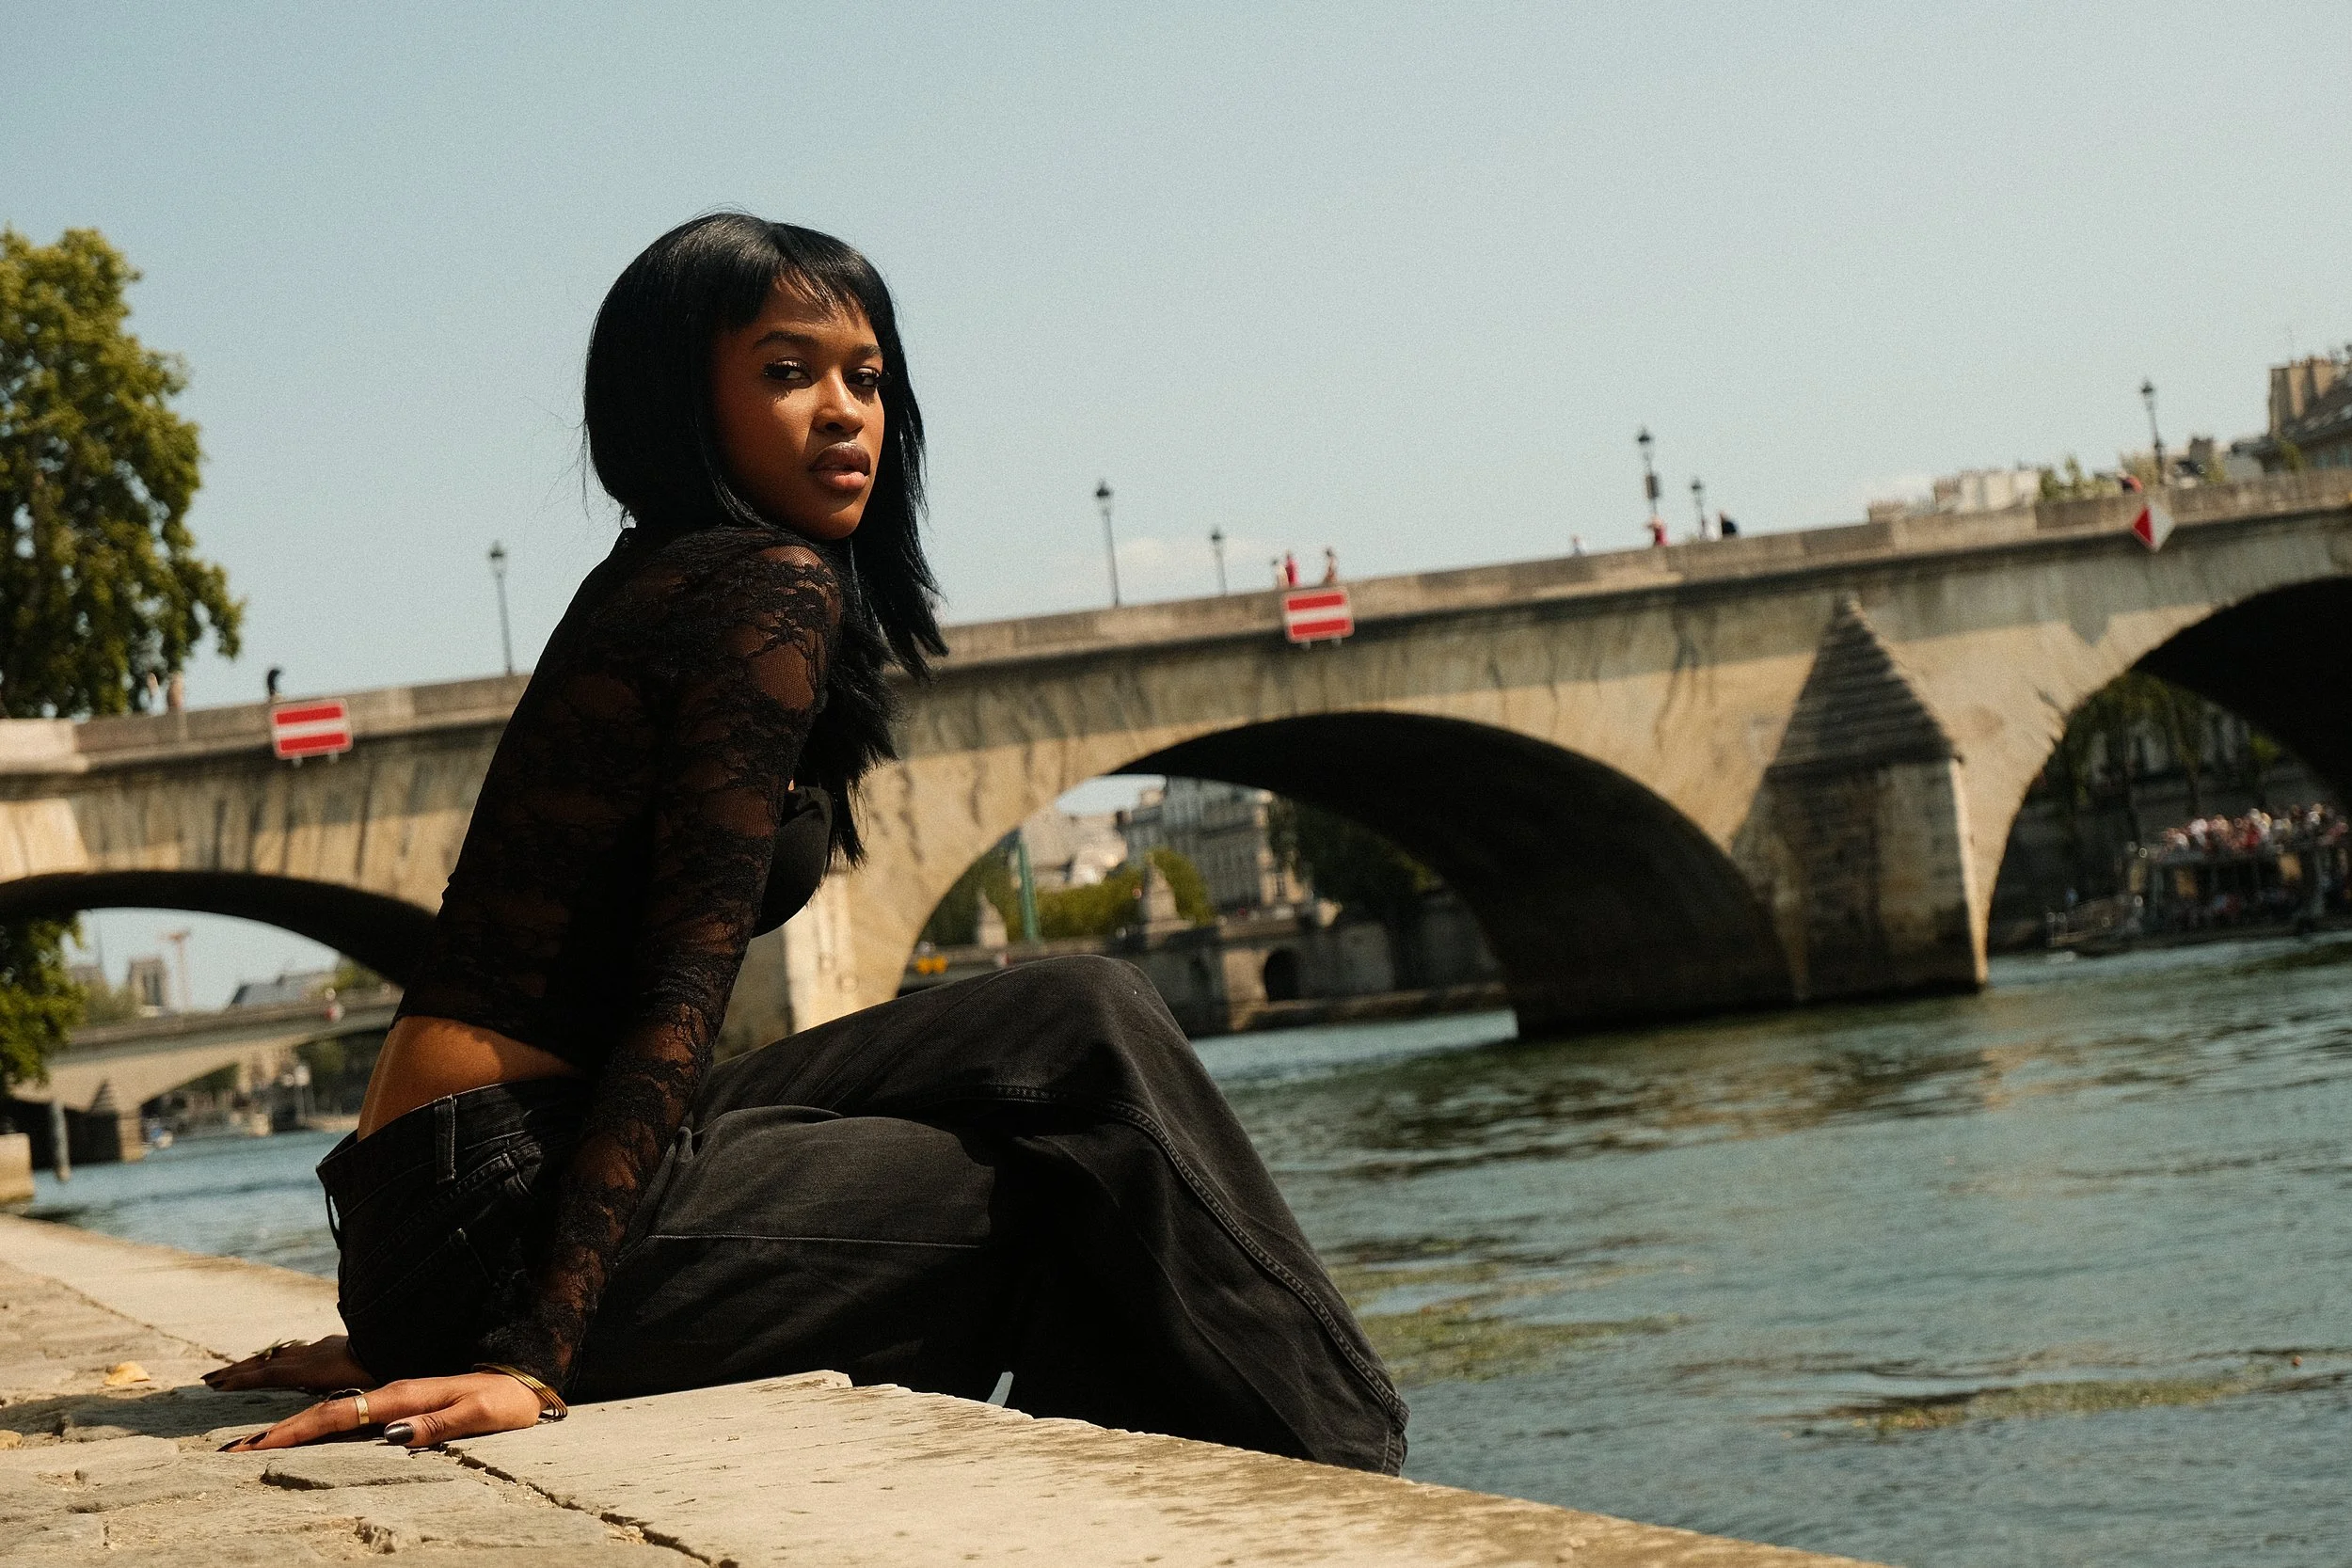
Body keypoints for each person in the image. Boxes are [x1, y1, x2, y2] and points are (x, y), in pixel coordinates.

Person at [204, 214, 1406, 1475]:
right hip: (500, 1209)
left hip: (442, 1200)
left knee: (1085, 1011)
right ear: (682, 399)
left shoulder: (653, 573)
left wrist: (417, 1293)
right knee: (1063, 1195)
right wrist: (528, 1348)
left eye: (866, 377)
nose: (844, 412)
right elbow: (680, 990)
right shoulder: (770, 586)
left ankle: (1332, 1449)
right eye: (788, 373)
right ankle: (1354, 1476)